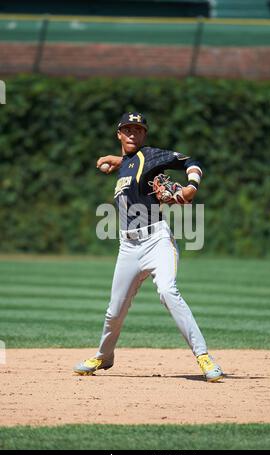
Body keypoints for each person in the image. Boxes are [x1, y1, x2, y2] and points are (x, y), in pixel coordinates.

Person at [74, 112, 223, 382]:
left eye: (138, 130)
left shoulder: (151, 155)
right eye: (127, 129)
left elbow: (191, 161)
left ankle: (203, 356)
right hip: (128, 246)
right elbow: (131, 166)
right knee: (115, 310)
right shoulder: (128, 164)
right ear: (119, 134)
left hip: (156, 240)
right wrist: (116, 161)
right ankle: (104, 356)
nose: (133, 133)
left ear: (144, 135)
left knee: (168, 291)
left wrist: (192, 186)